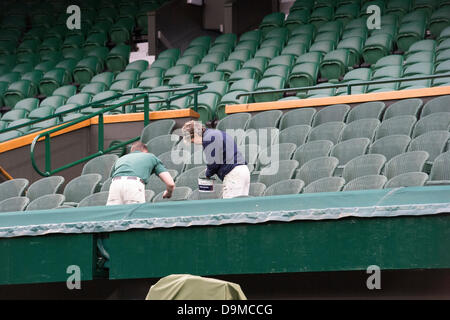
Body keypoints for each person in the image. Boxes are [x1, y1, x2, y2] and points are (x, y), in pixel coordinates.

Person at [181, 120, 250, 198]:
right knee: (242, 206)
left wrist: (207, 174)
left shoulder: (208, 138)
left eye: (192, 140)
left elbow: (213, 162)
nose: (194, 143)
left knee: (231, 207)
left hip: (234, 174)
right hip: (243, 170)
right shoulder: (217, 133)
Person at [106, 141, 175, 205]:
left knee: (112, 215)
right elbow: (170, 183)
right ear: (145, 150)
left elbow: (112, 176)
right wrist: (169, 192)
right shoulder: (151, 157)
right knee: (134, 216)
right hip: (133, 184)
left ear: (131, 150)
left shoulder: (120, 159)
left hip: (115, 184)